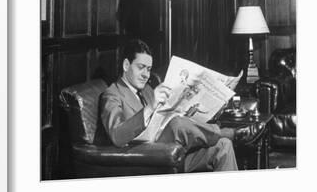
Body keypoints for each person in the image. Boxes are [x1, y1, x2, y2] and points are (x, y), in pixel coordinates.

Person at [100, 39, 239, 173]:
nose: (146, 75)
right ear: (126, 65)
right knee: (176, 123)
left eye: (149, 69)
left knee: (223, 146)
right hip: (143, 155)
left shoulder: (147, 90)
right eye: (141, 68)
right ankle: (227, 132)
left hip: (171, 151)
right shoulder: (111, 94)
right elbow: (117, 135)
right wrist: (150, 107)